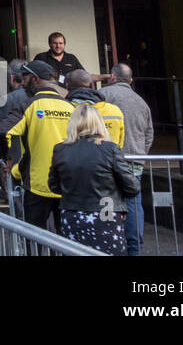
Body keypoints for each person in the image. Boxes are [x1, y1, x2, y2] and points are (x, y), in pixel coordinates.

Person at [48, 104, 140, 254]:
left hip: (72, 213)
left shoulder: (60, 149)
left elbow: (53, 186)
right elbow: (133, 187)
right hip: (106, 213)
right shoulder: (110, 149)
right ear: (99, 123)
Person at [5, 60, 74, 230]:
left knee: (34, 238)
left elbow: (4, 131)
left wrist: (14, 165)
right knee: (65, 237)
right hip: (67, 182)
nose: (22, 82)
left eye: (25, 77)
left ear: (35, 79)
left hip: (37, 184)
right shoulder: (70, 106)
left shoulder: (29, 105)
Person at [101, 63, 154, 255]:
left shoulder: (105, 95)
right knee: (133, 203)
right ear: (131, 80)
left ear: (112, 77)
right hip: (134, 161)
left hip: (108, 160)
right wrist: (140, 155)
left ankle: (107, 246)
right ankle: (135, 248)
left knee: (106, 201)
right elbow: (149, 134)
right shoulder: (142, 102)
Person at [66, 69, 125, 147]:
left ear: (67, 87)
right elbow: (120, 145)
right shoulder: (114, 111)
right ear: (92, 86)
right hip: (109, 158)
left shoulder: (64, 110)